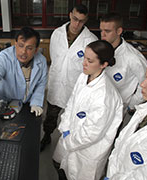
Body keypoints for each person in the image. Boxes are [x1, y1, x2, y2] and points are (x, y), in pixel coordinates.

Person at [52, 40, 123, 180]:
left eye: (89, 61)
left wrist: (69, 141)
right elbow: (71, 104)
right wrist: (64, 127)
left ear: (103, 64)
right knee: (61, 169)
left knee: (76, 175)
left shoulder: (105, 96)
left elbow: (92, 133)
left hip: (87, 151)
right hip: (70, 137)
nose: (84, 63)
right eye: (84, 57)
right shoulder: (84, 76)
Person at [41, 4, 98, 151]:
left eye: (81, 21)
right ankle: (47, 136)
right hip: (56, 84)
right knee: (50, 117)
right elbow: (54, 58)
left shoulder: (90, 40)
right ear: (69, 15)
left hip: (75, 88)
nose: (76, 24)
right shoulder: (57, 34)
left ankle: (67, 144)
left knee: (73, 120)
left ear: (85, 21)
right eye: (74, 19)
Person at [100, 12, 147, 116]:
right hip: (98, 104)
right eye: (101, 30)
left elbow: (146, 83)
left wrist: (132, 104)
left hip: (118, 108)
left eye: (107, 31)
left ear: (119, 31)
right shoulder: (99, 49)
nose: (102, 35)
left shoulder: (133, 57)